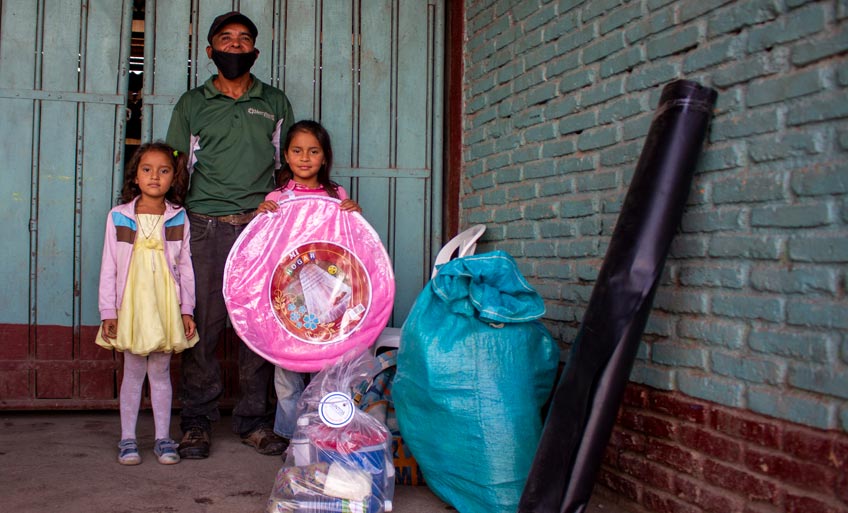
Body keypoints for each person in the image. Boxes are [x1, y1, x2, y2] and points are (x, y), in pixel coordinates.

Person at [165, 11, 294, 459]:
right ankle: (197, 422)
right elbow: (177, 169)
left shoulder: (274, 103)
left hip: (259, 227)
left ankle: (254, 421)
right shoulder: (192, 103)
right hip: (204, 227)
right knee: (202, 323)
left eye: (244, 40)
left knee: (257, 325)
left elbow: (287, 166)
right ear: (211, 50)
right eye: (226, 39)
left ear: (255, 51)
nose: (235, 46)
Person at [255, 120, 362, 441]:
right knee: (286, 369)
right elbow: (265, 247)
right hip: (289, 296)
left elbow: (350, 243)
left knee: (324, 366)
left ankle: (321, 434)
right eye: (297, 151)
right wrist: (263, 216)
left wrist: (354, 213)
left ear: (324, 157)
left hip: (327, 294)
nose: (305, 158)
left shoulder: (336, 194)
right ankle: (291, 438)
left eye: (313, 151)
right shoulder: (278, 196)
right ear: (285, 156)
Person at [96, 141, 198, 466]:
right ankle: (127, 438)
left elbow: (186, 266)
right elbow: (109, 266)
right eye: (147, 169)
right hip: (133, 308)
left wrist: (187, 310)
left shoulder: (178, 217)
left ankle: (163, 438)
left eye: (164, 170)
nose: (155, 176)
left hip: (166, 307)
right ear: (136, 176)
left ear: (174, 177)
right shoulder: (119, 217)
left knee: (161, 371)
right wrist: (108, 311)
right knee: (133, 371)